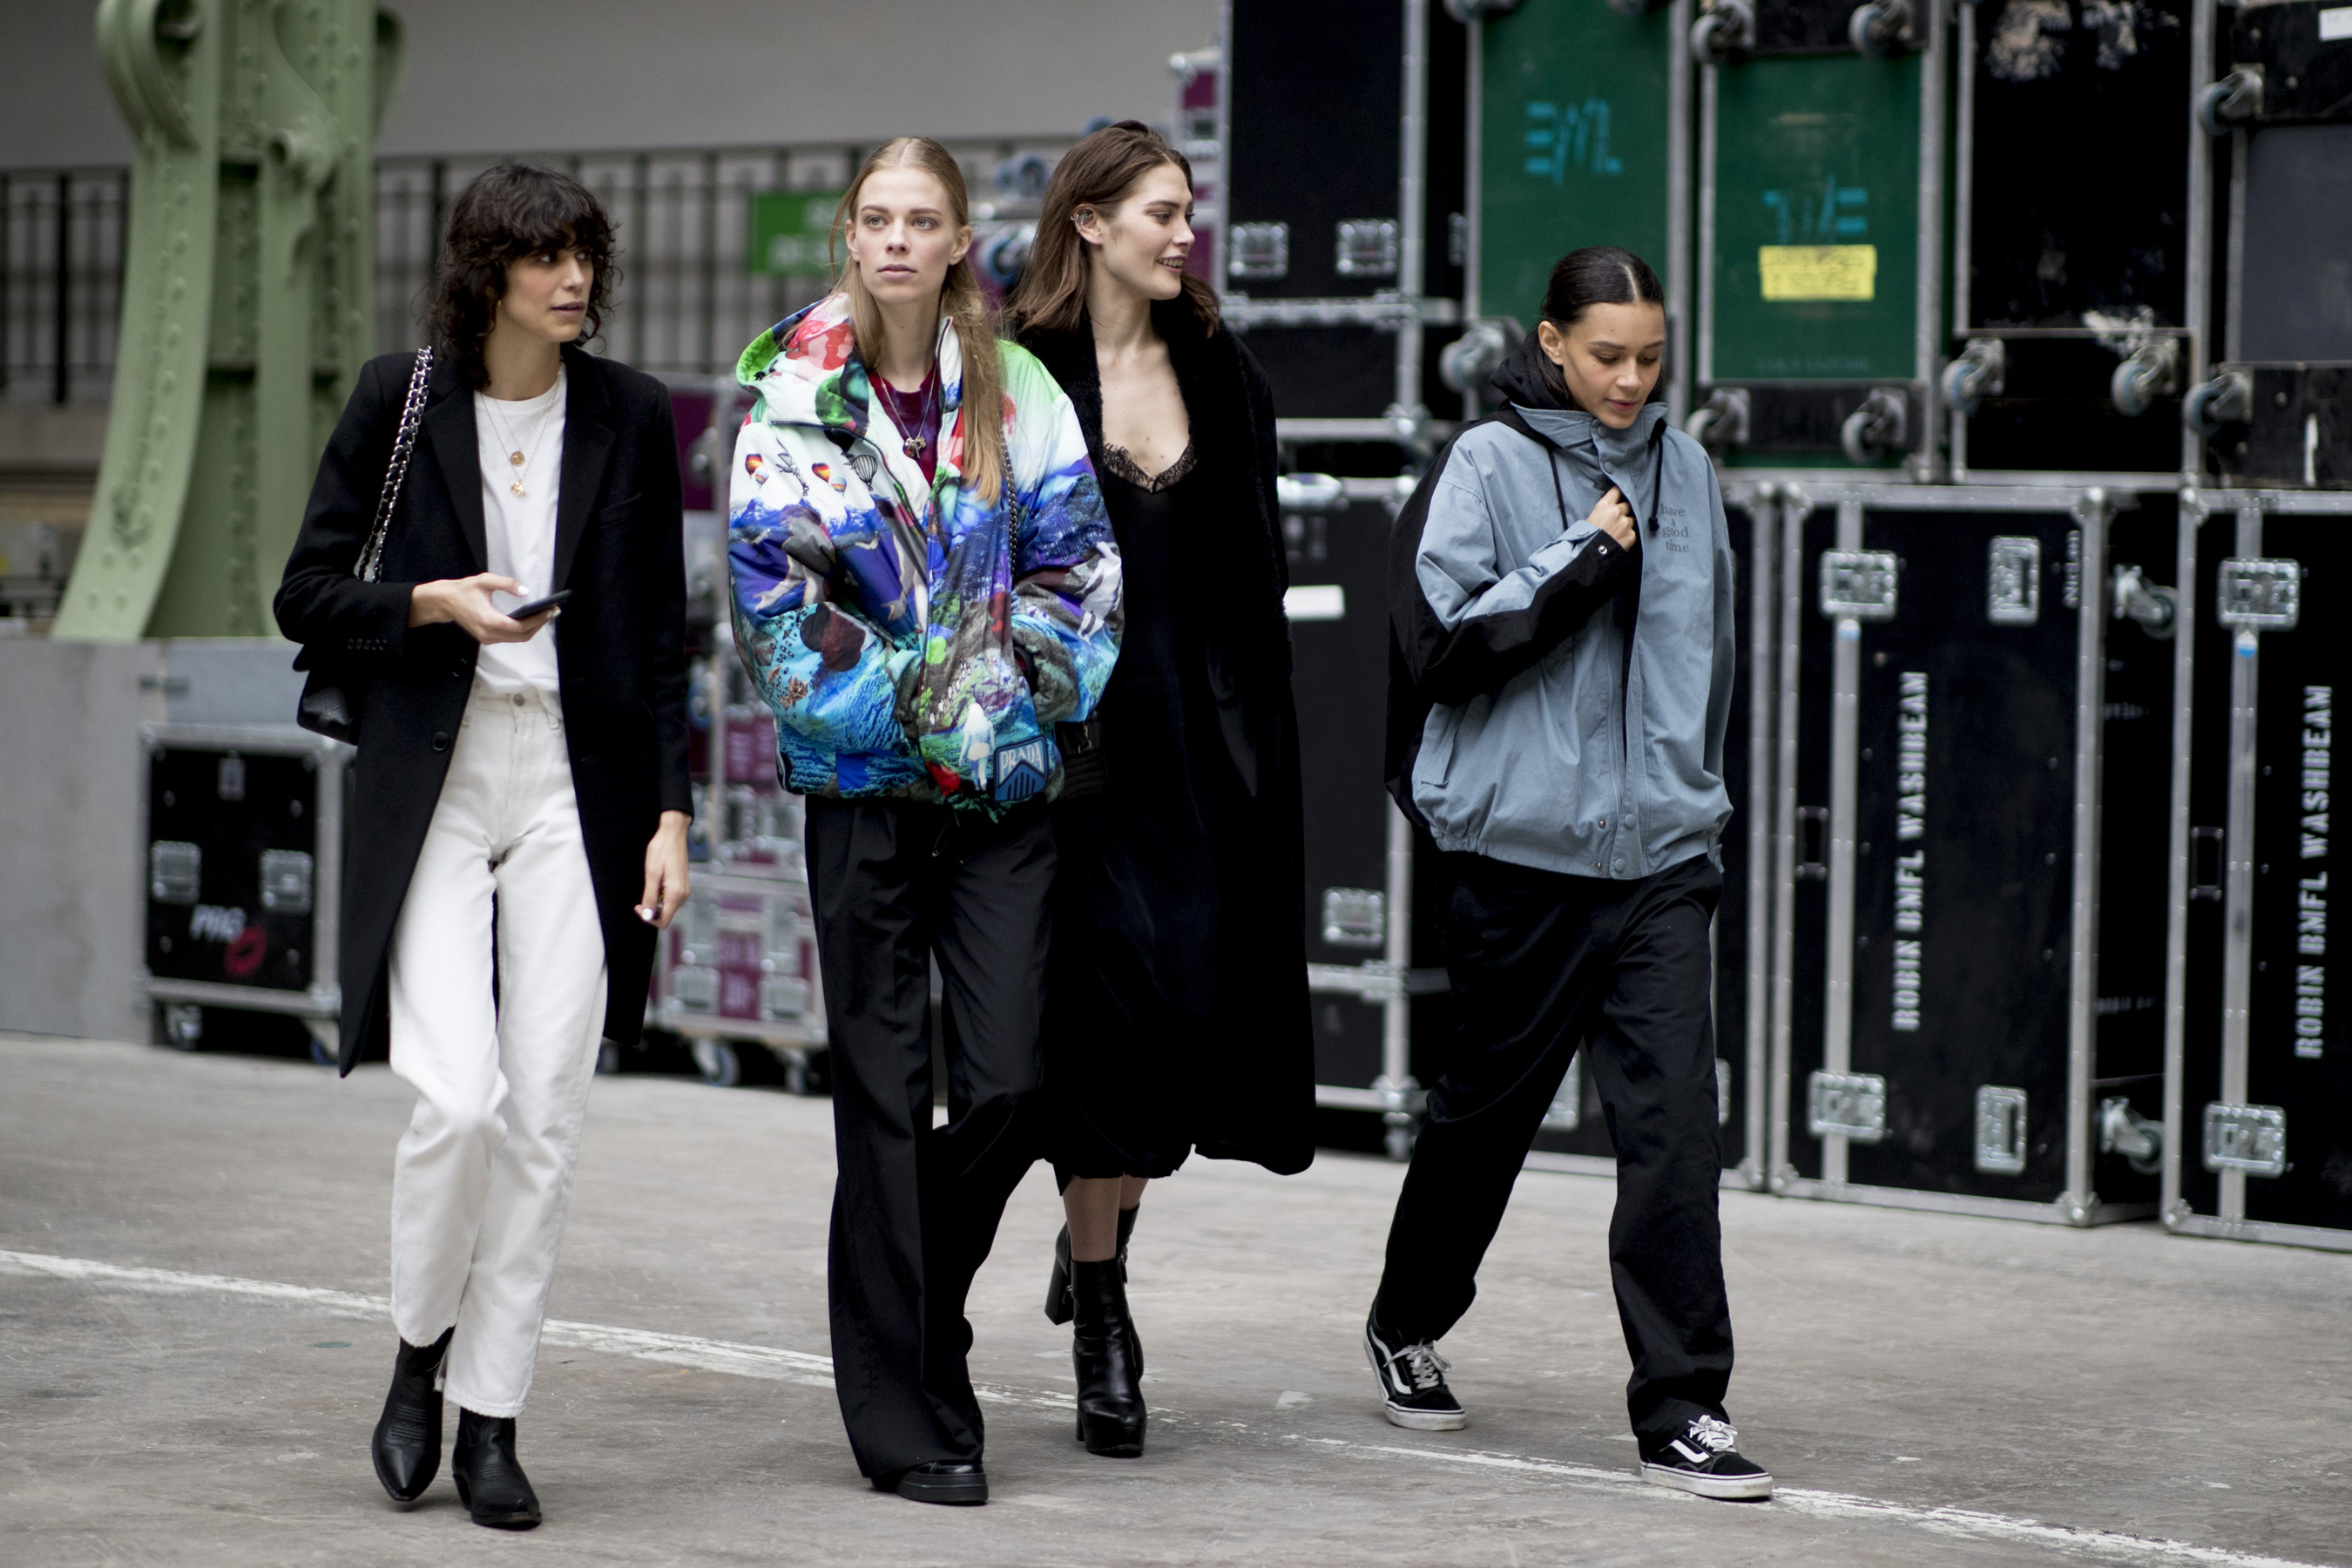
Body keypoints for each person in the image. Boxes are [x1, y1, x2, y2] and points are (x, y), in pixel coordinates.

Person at [274, 165, 691, 1529]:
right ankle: (417, 1356)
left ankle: (495, 1417)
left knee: (547, 1114)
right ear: (488, 272)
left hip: (581, 782)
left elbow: (660, 638)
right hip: (439, 775)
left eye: (585, 255)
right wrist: (434, 606)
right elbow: (306, 591)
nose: (573, 278)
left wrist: (674, 811)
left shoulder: (629, 415)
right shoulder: (401, 400)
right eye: (544, 257)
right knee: (457, 1099)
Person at [725, 137, 1120, 1507]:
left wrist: (1001, 698)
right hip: (866, 797)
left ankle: (913, 1302)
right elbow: (780, 621)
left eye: (924, 219)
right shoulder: (787, 404)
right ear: (848, 233)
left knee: (1011, 1082)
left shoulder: (1022, 395)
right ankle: (905, 1413)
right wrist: (926, 698)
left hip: (1003, 793)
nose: (898, 239)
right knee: (885, 1102)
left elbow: (1082, 571)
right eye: (876, 217)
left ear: (961, 241)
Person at [1371, 247, 1770, 1501]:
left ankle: (1682, 1408)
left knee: (1674, 1138)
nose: (1631, 379)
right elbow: (1439, 652)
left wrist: (1697, 807)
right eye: (1607, 355)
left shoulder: (1691, 470)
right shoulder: (1483, 466)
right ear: (1551, 342)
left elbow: (1710, 658)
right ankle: (1405, 1317)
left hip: (1658, 862)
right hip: (1518, 859)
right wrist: (1584, 556)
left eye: (1651, 357)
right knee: (1484, 1117)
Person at [1004, 121, 1313, 1461]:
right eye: (1162, 212)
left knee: (1186, 1009)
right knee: (1104, 1022)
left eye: (1187, 213)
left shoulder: (1221, 370)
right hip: (1072, 760)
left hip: (1199, 751)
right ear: (1089, 223)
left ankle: (1102, 1229)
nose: (1183, 234)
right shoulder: (1020, 377)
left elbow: (1253, 576)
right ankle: (1106, 1320)